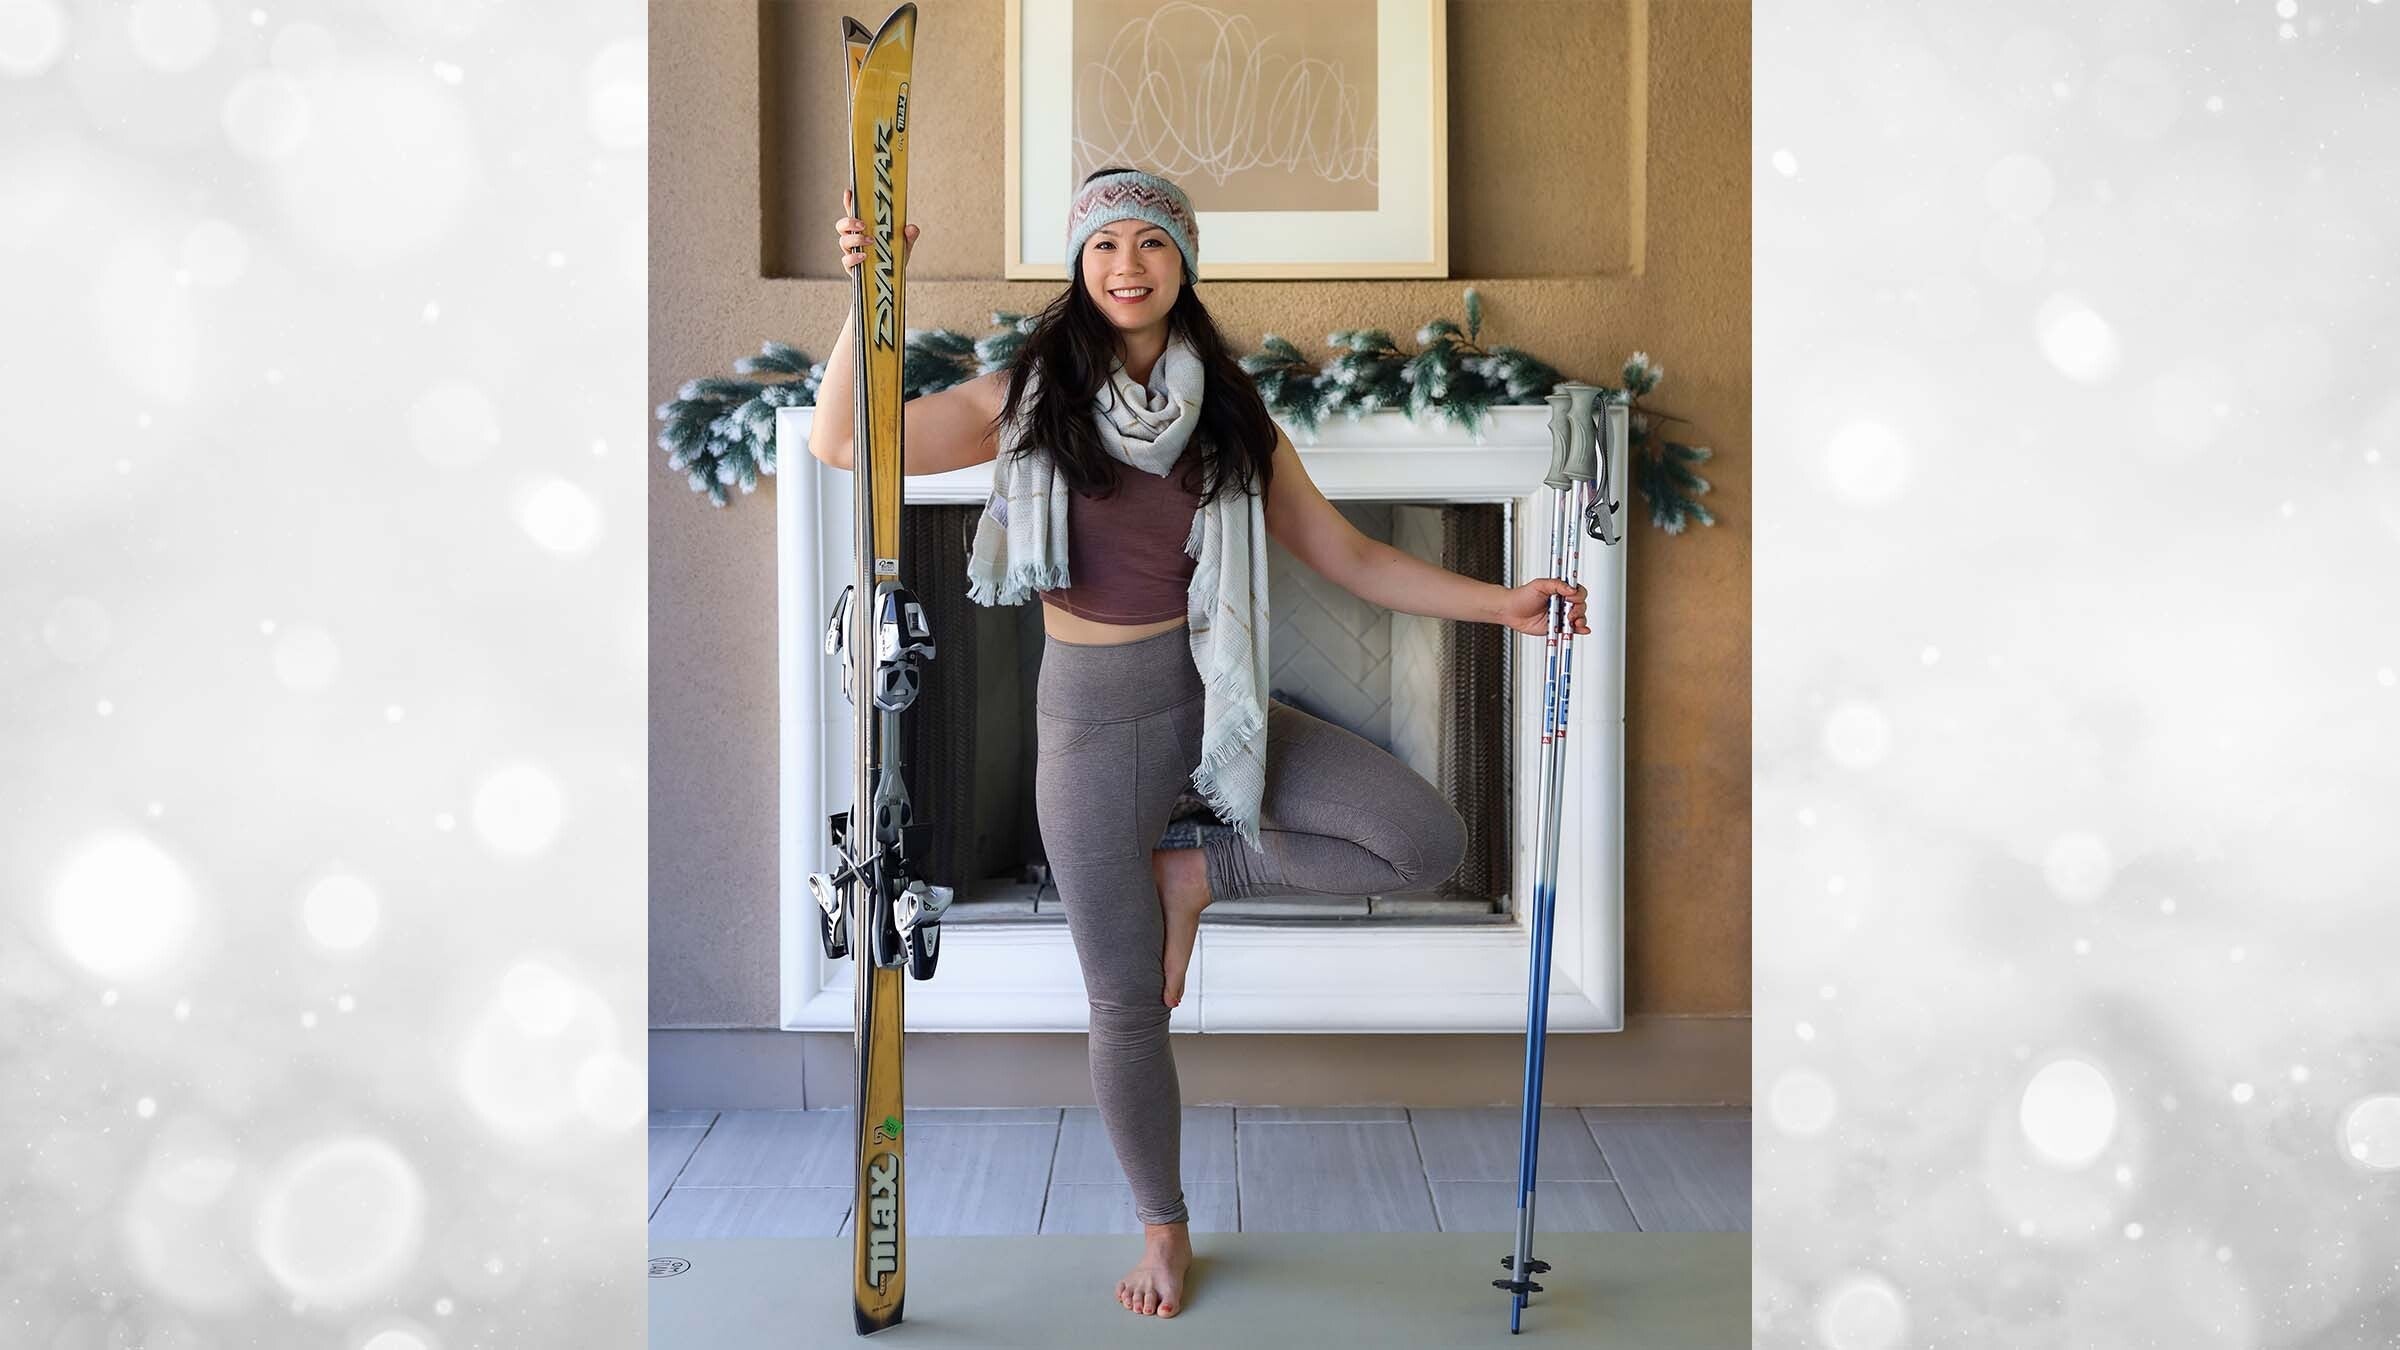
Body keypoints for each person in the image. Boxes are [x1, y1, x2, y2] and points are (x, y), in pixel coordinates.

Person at [810, 168, 1589, 1321]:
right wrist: (873, 285)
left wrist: (1504, 604)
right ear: (1080, 265)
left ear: (1184, 261)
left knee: (1425, 838)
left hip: (1214, 704)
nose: (1128, 264)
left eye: (1152, 244)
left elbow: (1351, 558)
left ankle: (1198, 871)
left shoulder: (1228, 410)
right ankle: (1164, 1229)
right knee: (1126, 1003)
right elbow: (842, 441)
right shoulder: (1024, 394)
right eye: (1104, 244)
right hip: (1089, 728)